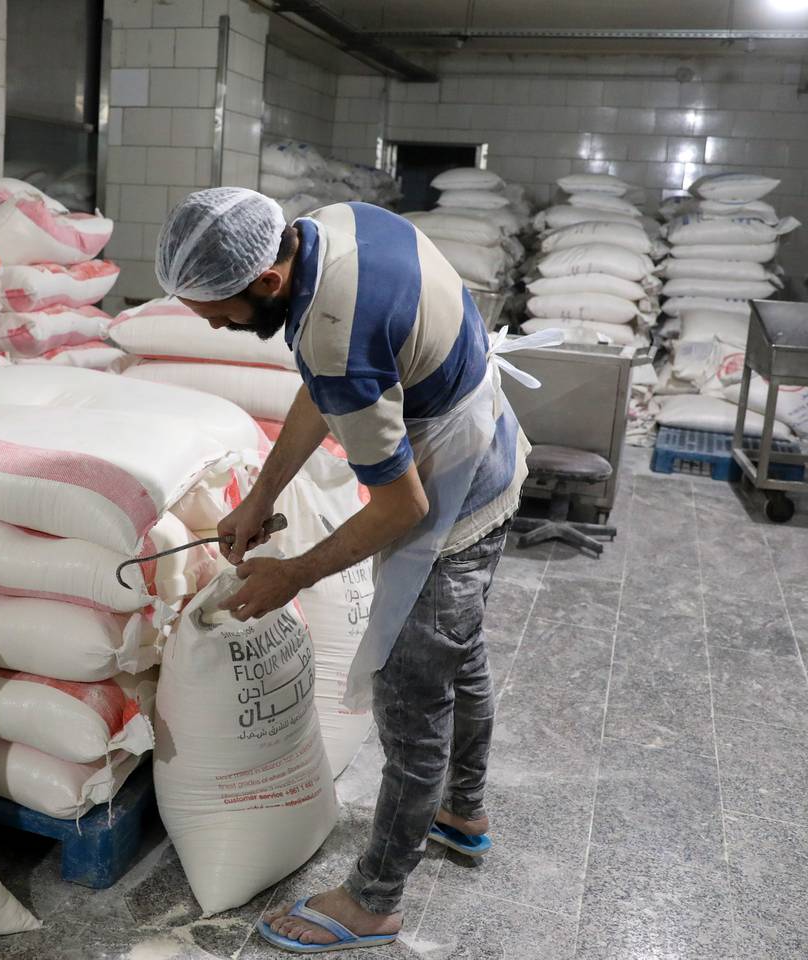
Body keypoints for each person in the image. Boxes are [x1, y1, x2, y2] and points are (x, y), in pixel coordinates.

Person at [154, 188, 541, 953]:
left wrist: (291, 575)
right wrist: (261, 494)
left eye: (215, 309)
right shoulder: (335, 227)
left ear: (266, 280)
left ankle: (376, 899)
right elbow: (322, 384)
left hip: (459, 480)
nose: (208, 325)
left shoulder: (333, 329)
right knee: (458, 651)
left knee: (411, 687)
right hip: (485, 436)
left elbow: (401, 508)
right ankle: (461, 811)